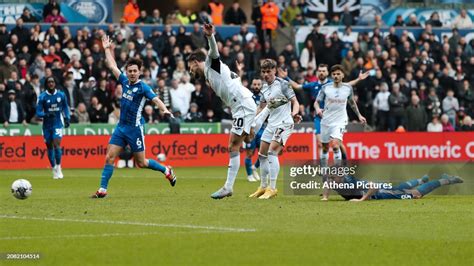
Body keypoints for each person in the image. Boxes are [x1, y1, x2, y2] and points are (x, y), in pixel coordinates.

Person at [92, 35, 176, 198]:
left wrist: (164, 109)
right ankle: (102, 189)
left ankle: (166, 170)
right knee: (109, 157)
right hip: (121, 127)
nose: (131, 73)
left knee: (141, 162)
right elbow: (112, 66)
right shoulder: (123, 81)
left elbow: (156, 99)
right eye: (129, 71)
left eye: (134, 71)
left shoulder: (143, 87)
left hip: (135, 129)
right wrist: (107, 49)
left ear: (139, 72)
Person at [187, 24, 257, 199]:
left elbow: (214, 50)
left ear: (195, 62)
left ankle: (228, 187)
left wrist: (210, 36)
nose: (190, 71)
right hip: (241, 105)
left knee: (233, 146)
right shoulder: (211, 76)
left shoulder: (211, 64)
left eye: (190, 66)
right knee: (248, 139)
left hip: (242, 105)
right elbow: (231, 82)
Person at [248, 59, 301, 200]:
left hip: (284, 123)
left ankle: (272, 188)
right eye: (263, 72)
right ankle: (263, 187)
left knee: (272, 152)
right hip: (271, 124)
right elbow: (261, 107)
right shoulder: (264, 88)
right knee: (261, 155)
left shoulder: (283, 84)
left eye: (268, 71)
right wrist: (253, 123)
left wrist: (294, 113)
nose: (266, 74)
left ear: (274, 71)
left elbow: (295, 102)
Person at [314, 64, 366, 195]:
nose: (336, 76)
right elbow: (316, 102)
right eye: (334, 74)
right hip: (326, 121)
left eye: (338, 74)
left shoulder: (348, 88)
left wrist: (359, 115)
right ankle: (326, 180)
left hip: (340, 121)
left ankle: (338, 178)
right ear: (332, 76)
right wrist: (317, 109)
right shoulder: (325, 88)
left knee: (335, 145)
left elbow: (352, 103)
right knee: (325, 148)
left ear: (343, 75)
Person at [330, 173, 463, 201]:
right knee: (398, 187)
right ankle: (420, 179)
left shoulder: (350, 185)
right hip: (380, 191)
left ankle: (446, 180)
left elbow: (374, 187)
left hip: (381, 193)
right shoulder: (339, 184)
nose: (331, 182)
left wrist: (361, 200)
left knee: (416, 194)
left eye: (333, 179)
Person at [35, 77, 70, 179]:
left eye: (52, 82)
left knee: (57, 144)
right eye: (49, 82)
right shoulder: (42, 97)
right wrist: (46, 114)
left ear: (55, 83)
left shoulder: (61, 95)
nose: (51, 83)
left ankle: (59, 167)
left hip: (58, 123)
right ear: (46, 84)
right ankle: (53, 168)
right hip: (46, 126)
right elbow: (38, 112)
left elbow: (65, 107)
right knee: (49, 146)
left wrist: (67, 118)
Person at [245, 77, 264, 183]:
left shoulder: (264, 97)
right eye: (255, 84)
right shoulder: (248, 97)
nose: (256, 86)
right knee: (249, 153)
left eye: (258, 84)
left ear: (261, 85)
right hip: (250, 129)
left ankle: (254, 167)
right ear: (252, 85)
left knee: (263, 152)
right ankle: (249, 175)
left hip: (261, 128)